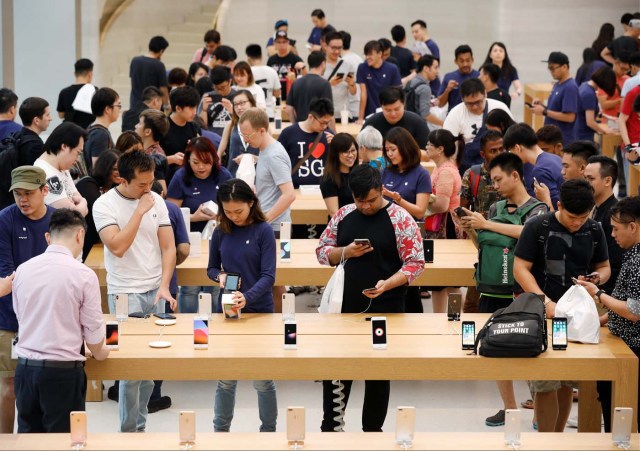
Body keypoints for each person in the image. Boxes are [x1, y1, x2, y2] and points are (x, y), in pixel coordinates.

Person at [317, 164, 424, 432]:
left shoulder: (400, 219)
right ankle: (331, 426)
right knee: (337, 369)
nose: (365, 206)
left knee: (377, 374)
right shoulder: (344, 214)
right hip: (344, 308)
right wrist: (346, 252)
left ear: (382, 191)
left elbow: (415, 263)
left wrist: (388, 284)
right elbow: (322, 251)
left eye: (372, 200)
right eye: (360, 200)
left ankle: (372, 433)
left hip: (386, 308)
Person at [514, 179, 610, 433]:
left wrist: (597, 279)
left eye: (583, 217)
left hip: (578, 316)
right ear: (558, 205)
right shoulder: (538, 225)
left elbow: (604, 267)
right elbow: (520, 268)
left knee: (568, 380)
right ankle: (546, 440)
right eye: (571, 217)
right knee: (546, 381)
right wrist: (544, 301)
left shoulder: (594, 229)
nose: (577, 222)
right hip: (542, 313)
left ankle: (558, 438)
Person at [459, 152, 547, 427]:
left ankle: (539, 409)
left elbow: (529, 234)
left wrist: (487, 225)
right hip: (492, 287)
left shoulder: (539, 209)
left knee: (532, 346)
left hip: (524, 291)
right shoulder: (496, 209)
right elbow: (489, 245)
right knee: (495, 347)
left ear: (515, 176)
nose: (495, 185)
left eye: (498, 179)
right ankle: (509, 408)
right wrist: (475, 229)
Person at [93, 150, 177, 432]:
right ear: (122, 179)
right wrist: (140, 212)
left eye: (151, 181)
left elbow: (168, 247)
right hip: (123, 295)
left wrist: (165, 285)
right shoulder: (104, 205)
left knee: (151, 365)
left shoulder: (158, 201)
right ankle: (129, 432)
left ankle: (140, 426)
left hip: (155, 291)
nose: (148, 189)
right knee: (128, 369)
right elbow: (117, 247)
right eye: (142, 184)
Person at [12, 208, 109, 433]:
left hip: (25, 369)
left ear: (48, 237)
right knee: (64, 440)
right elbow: (93, 329)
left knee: (29, 441)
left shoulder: (23, 270)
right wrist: (100, 351)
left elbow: (22, 316)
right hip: (62, 373)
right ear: (79, 236)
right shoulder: (83, 274)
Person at [207, 178, 278, 432]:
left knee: (262, 380)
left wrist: (247, 297)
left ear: (251, 203)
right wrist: (220, 277)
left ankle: (268, 430)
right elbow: (212, 268)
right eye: (227, 211)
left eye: (238, 211)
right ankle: (220, 430)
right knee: (225, 379)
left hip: (259, 312)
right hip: (229, 312)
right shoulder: (220, 231)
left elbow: (269, 276)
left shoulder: (263, 231)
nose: (233, 216)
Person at [574, 196, 640, 432]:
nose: (612, 235)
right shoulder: (633, 253)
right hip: (622, 342)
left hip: (632, 350)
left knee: (622, 419)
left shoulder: (638, 258)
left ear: (633, 227)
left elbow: (634, 310)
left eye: (616, 228)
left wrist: (598, 294)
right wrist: (601, 320)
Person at [0, 166, 54, 433]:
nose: (23, 199)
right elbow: (6, 277)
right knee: (9, 386)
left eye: (29, 193)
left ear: (44, 191)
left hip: (47, 319)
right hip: (10, 317)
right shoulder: (5, 220)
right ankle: (6, 442)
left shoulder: (58, 221)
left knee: (43, 385)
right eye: (18, 194)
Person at [167, 137, 231, 311]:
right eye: (195, 162)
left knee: (215, 285)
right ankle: (188, 327)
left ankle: (215, 326)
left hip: (218, 239)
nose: (201, 167)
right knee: (190, 287)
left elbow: (236, 206)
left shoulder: (223, 175)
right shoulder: (180, 177)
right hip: (190, 240)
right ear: (188, 160)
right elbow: (169, 213)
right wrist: (194, 217)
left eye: (206, 162)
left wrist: (222, 215)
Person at [240, 108, 294, 311]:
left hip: (275, 229)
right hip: (272, 226)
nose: (246, 140)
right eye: (243, 135)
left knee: (274, 280)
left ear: (262, 130)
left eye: (248, 135)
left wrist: (264, 218)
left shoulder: (273, 155)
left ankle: (282, 323)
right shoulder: (266, 150)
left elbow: (289, 194)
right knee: (273, 280)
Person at [381, 127, 431, 313]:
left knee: (409, 286)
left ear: (405, 147)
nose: (390, 154)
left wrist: (398, 200)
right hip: (386, 234)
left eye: (393, 149)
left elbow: (420, 211)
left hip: (409, 236)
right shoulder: (385, 172)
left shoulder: (421, 174)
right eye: (387, 150)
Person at [424, 129, 463, 312]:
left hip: (445, 225)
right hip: (445, 223)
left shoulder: (445, 172)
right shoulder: (444, 167)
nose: (426, 147)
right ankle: (451, 317)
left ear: (440, 149)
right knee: (449, 279)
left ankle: (442, 319)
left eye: (429, 145)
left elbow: (442, 204)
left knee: (443, 279)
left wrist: (423, 205)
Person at [443, 78, 512, 174]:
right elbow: (448, 147)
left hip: (500, 164)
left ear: (485, 94)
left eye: (478, 102)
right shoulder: (455, 114)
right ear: (462, 99)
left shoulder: (500, 108)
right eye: (469, 104)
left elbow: (511, 137)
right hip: (469, 169)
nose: (475, 107)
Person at [584, 156, 622, 297]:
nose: (586, 184)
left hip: (605, 294)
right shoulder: (594, 208)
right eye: (585, 179)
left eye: (591, 179)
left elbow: (615, 261)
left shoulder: (615, 215)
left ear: (607, 181)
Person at [504, 123, 564, 211]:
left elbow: (554, 208)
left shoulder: (540, 169)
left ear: (517, 148)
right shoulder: (556, 158)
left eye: (510, 151)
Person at [35, 122, 89, 216]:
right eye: (78, 153)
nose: (77, 159)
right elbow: (73, 216)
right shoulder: (44, 172)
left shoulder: (62, 167)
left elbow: (82, 208)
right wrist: (83, 202)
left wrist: (81, 204)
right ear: (64, 146)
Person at [76, 150, 121, 261]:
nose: (120, 172)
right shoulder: (88, 184)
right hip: (82, 243)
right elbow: (103, 211)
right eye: (115, 169)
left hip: (100, 244)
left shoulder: (114, 189)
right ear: (105, 168)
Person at [279, 97, 334, 188]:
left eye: (327, 123)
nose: (325, 126)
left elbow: (338, 166)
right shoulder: (288, 133)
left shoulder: (329, 136)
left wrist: (336, 148)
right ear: (310, 117)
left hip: (323, 192)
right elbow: (278, 162)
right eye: (322, 123)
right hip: (295, 190)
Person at [530, 52, 579, 146]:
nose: (551, 71)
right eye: (549, 68)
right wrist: (541, 105)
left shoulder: (570, 87)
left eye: (552, 68)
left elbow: (570, 117)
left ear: (564, 67)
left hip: (562, 141)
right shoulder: (557, 84)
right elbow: (555, 110)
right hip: (551, 138)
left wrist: (544, 111)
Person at [362, 86, 430, 149]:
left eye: (397, 109)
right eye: (388, 110)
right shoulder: (372, 123)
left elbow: (428, 153)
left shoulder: (417, 123)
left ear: (404, 104)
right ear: (381, 107)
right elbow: (361, 149)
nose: (393, 114)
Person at [159, 86, 201, 181]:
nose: (194, 112)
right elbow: (151, 159)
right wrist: (171, 159)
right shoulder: (162, 128)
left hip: (189, 177)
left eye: (195, 107)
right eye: (191, 108)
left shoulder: (194, 127)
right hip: (167, 178)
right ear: (178, 108)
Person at [460, 130, 504, 216]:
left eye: (501, 149)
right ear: (483, 154)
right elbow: (463, 209)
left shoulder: (513, 173)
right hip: (479, 229)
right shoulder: (471, 174)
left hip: (506, 228)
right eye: (493, 151)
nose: (499, 154)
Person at [356, 40, 402, 123]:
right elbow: (363, 93)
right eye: (366, 54)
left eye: (370, 54)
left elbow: (397, 94)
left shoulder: (392, 69)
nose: (367, 57)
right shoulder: (362, 67)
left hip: (388, 114)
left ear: (380, 54)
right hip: (369, 114)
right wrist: (360, 118)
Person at [218, 90, 259, 176]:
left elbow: (269, 155)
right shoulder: (231, 125)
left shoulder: (261, 125)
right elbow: (220, 152)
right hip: (233, 174)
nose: (239, 108)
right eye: (235, 105)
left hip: (257, 175)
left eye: (242, 103)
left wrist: (251, 158)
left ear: (252, 103)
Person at [287, 51, 332, 123]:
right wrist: (334, 132)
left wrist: (295, 125)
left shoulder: (296, 83)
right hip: (317, 130)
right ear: (323, 64)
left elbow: (289, 109)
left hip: (300, 128)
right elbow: (328, 112)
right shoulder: (324, 84)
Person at [321, 133, 359, 218]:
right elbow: (333, 213)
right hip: (342, 226)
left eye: (353, 150)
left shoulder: (360, 173)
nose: (350, 155)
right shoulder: (329, 179)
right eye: (345, 152)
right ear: (335, 153)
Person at [322, 31, 358, 121]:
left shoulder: (348, 65)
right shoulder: (320, 64)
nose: (337, 51)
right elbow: (314, 90)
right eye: (334, 48)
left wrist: (351, 84)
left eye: (339, 48)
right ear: (326, 46)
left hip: (343, 114)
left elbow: (353, 92)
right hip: (324, 115)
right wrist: (329, 84)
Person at [84, 87, 120, 174]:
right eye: (118, 105)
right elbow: (99, 170)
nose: (119, 109)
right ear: (107, 109)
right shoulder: (100, 135)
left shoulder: (92, 129)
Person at [575, 67, 617, 141]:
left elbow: (587, 110)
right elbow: (590, 122)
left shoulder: (584, 86)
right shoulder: (589, 94)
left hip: (578, 132)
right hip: (584, 136)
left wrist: (608, 117)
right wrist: (605, 131)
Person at [134, 108, 171, 193]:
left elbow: (162, 190)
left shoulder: (155, 158)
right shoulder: (148, 152)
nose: (136, 126)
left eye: (139, 123)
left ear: (148, 131)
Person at [129, 35, 169, 108]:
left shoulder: (135, 60)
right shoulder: (159, 65)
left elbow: (132, 79)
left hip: (134, 104)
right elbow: (163, 88)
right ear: (161, 51)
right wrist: (166, 104)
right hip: (150, 106)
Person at [56, 58, 96, 129]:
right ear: (90, 74)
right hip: (89, 132)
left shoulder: (64, 92)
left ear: (75, 74)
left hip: (70, 132)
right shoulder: (95, 91)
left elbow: (61, 115)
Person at [437, 45, 479, 110]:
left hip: (475, 116)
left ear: (472, 60)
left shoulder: (480, 77)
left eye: (467, 60)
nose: (465, 64)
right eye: (462, 61)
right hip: (454, 117)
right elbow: (440, 104)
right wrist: (448, 90)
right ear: (456, 61)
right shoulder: (449, 77)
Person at [406, 54, 442, 130]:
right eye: (435, 68)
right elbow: (425, 115)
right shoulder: (425, 88)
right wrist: (444, 123)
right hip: (417, 127)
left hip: (407, 122)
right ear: (426, 68)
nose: (437, 72)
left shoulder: (410, 82)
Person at [266, 30, 304, 102]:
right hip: (276, 98)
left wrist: (294, 79)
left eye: (284, 42)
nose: (281, 45)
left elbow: (304, 80)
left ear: (288, 43)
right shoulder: (271, 60)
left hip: (293, 98)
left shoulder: (296, 59)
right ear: (274, 44)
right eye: (279, 42)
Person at [245, 44, 281, 120]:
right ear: (261, 56)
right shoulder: (272, 71)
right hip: (269, 113)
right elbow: (277, 94)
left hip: (253, 115)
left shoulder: (248, 73)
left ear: (248, 58)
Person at [200, 66, 235, 137]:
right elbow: (202, 125)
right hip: (212, 138)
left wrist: (232, 111)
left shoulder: (238, 96)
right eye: (216, 88)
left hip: (231, 137)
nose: (219, 91)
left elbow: (243, 121)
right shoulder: (207, 96)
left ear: (230, 81)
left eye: (223, 87)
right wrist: (204, 110)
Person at [16, 97, 52, 166]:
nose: (50, 118)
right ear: (36, 120)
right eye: (47, 115)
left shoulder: (18, 136)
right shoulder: (35, 146)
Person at [597, 53, 629, 124]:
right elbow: (603, 105)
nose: (624, 72)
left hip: (625, 121)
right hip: (609, 121)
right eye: (622, 69)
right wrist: (619, 101)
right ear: (615, 63)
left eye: (627, 70)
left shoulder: (628, 79)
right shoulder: (606, 79)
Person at [410, 19, 440, 93]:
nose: (414, 34)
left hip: (432, 83)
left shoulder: (431, 45)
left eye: (416, 31)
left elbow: (436, 65)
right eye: (412, 32)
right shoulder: (418, 45)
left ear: (424, 30)